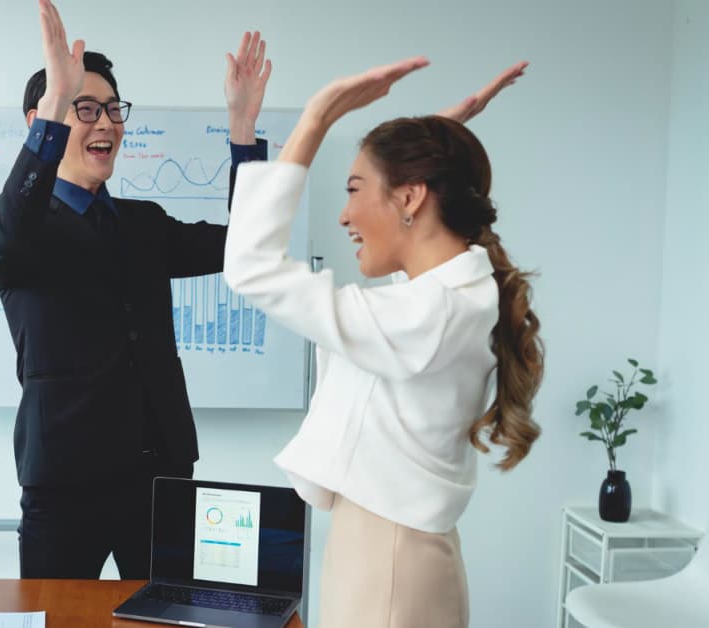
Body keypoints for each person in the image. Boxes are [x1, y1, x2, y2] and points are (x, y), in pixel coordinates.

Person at [223, 58, 542, 628]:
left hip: (388, 569)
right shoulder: (447, 297)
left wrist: (318, 116)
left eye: (353, 190)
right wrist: (441, 139)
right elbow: (419, 253)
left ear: (411, 197)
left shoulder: (430, 313)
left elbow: (251, 266)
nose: (344, 214)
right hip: (392, 556)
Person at [0, 0, 271, 579]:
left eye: (113, 109)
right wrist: (56, 107)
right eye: (85, 108)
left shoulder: (143, 222)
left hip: (161, 475)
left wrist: (242, 131)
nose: (106, 122)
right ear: (43, 121)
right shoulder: (9, 227)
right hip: (63, 483)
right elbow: (9, 241)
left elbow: (249, 249)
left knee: (171, 619)